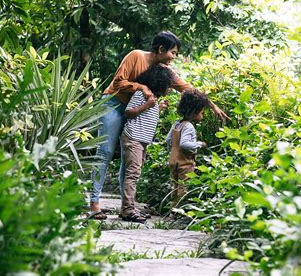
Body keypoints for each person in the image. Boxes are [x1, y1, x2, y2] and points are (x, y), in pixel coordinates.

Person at [89, 31, 229, 220]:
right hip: (114, 104)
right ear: (161, 49)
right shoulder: (136, 56)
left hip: (137, 109)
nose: (174, 57)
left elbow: (187, 88)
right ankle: (94, 204)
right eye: (173, 52)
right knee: (105, 151)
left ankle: (127, 207)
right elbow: (119, 81)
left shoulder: (165, 71)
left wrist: (212, 105)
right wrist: (142, 87)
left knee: (129, 159)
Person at [119, 64, 173, 223]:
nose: (169, 89)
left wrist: (158, 108)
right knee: (133, 174)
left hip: (141, 140)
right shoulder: (141, 95)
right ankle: (128, 209)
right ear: (159, 83)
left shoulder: (153, 99)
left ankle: (128, 208)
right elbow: (128, 113)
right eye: (168, 86)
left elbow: (146, 116)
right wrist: (148, 105)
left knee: (135, 173)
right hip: (133, 138)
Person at [166, 90, 209, 206]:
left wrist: (172, 151)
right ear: (194, 112)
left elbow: (168, 140)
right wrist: (199, 144)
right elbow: (184, 144)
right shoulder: (189, 126)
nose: (202, 115)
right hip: (184, 162)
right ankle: (180, 209)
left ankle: (172, 209)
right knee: (183, 186)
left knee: (174, 185)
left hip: (173, 159)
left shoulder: (177, 124)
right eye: (202, 113)